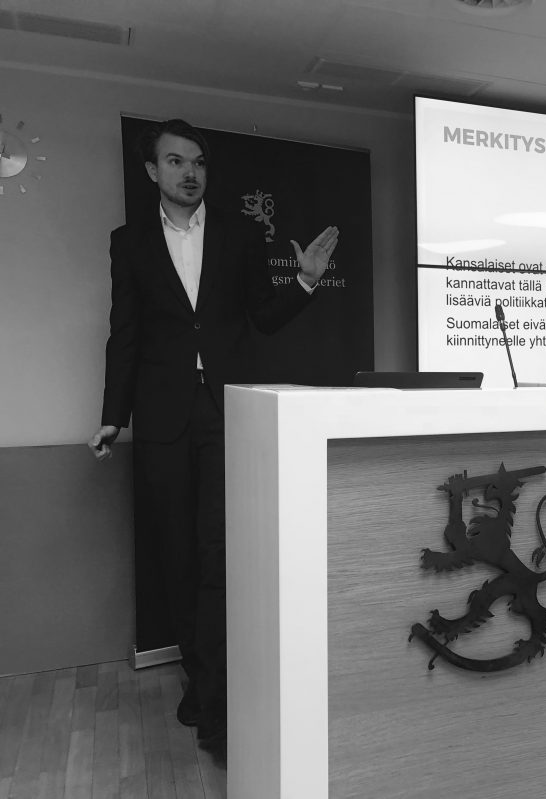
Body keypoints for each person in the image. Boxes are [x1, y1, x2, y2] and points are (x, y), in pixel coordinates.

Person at [87, 118, 338, 760]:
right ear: (153, 171)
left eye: (197, 162)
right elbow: (125, 333)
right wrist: (114, 415)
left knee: (219, 554)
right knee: (178, 557)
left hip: (227, 414)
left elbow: (263, 317)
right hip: (163, 419)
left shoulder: (237, 233)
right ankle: (202, 681)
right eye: (175, 161)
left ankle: (218, 701)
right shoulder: (129, 243)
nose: (189, 172)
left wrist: (305, 280)